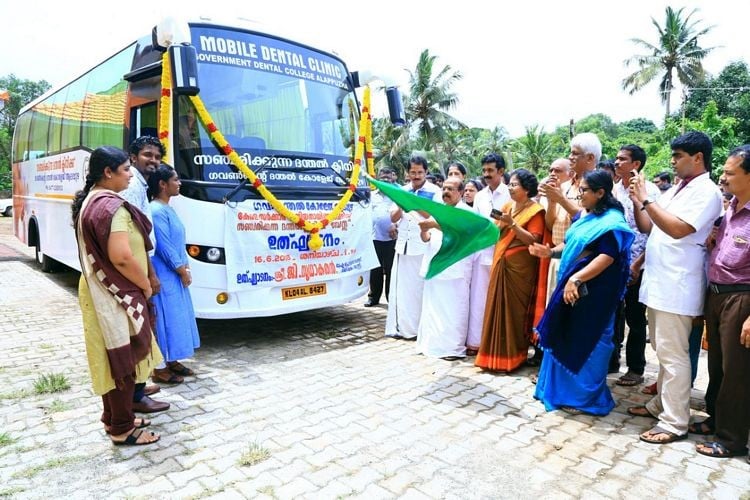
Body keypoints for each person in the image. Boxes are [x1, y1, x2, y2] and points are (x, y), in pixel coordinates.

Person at [627, 131, 723, 445]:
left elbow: (678, 229)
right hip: (660, 281)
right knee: (663, 350)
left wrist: (645, 199)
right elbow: (649, 226)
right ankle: (660, 405)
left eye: (679, 155)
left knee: (674, 356)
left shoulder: (706, 192)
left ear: (698, 158)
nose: (673, 161)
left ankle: (674, 421)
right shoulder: (679, 189)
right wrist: (637, 201)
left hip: (677, 284)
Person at [71, 146, 162, 446]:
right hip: (116, 294)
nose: (129, 176)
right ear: (107, 173)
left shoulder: (94, 201)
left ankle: (114, 418)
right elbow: (122, 257)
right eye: (125, 170)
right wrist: (145, 286)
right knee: (125, 359)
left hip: (104, 292)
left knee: (114, 356)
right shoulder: (109, 206)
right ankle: (123, 429)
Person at [531, 170, 634, 415]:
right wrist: (550, 252)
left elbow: (607, 257)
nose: (580, 195)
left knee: (590, 341)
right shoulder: (588, 216)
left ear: (600, 193)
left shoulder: (611, 221)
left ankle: (583, 397)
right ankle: (557, 390)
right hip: (573, 287)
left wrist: (576, 279)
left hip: (594, 294)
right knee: (565, 333)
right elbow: (572, 242)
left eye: (584, 191)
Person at [694, 145, 750, 459]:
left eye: (730, 173)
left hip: (741, 299)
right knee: (716, 366)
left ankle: (731, 439)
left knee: (736, 372)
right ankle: (716, 420)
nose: (723, 178)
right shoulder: (730, 209)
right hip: (716, 294)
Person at [475, 169, 546, 372]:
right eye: (511, 184)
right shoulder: (507, 206)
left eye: (514, 184)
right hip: (501, 262)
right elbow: (496, 230)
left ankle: (514, 358)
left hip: (520, 269)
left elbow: (533, 239)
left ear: (526, 189)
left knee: (514, 313)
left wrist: (512, 224)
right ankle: (490, 357)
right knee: (495, 309)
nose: (510, 188)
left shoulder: (536, 211)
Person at [121, 136, 170, 412]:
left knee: (143, 328)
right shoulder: (130, 187)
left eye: (157, 157)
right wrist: (149, 275)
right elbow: (133, 236)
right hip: (138, 265)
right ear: (133, 156)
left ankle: (139, 383)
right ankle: (136, 396)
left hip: (142, 261)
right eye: (147, 155)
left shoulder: (140, 184)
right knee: (139, 330)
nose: (153, 161)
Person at [147, 164, 201, 384]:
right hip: (165, 273)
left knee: (177, 318)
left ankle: (172, 361)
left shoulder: (168, 208)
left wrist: (184, 268)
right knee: (165, 319)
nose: (179, 183)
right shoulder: (156, 210)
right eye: (176, 179)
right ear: (162, 184)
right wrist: (181, 269)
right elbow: (164, 246)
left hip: (175, 273)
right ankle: (159, 369)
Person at [611, 145, 660, 387]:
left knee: (635, 318)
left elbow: (654, 232)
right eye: (617, 158)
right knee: (613, 315)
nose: (616, 162)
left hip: (638, 265)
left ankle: (636, 368)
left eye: (622, 159)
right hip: (614, 262)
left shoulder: (650, 192)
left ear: (636, 164)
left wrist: (637, 264)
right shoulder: (614, 189)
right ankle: (611, 361)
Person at [415, 177, 474, 359]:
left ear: (461, 192)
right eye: (444, 189)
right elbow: (426, 238)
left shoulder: (466, 212)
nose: (446, 192)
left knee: (453, 310)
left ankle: (452, 348)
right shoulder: (438, 211)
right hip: (435, 268)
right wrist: (424, 230)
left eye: (451, 189)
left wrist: (432, 224)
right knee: (433, 309)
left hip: (454, 270)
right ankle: (432, 345)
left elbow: (457, 230)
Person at [385, 155, 442, 340]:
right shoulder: (402, 190)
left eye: (420, 172)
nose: (416, 176)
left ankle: (420, 331)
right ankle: (403, 329)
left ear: (426, 172)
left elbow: (434, 215)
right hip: (403, 246)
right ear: (407, 173)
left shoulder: (435, 191)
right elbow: (393, 217)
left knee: (420, 291)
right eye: (413, 172)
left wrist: (413, 203)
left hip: (423, 246)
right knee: (402, 292)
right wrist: (403, 203)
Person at [467, 154, 511, 355]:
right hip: (481, 253)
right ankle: (476, 342)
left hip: (503, 254)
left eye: (490, 171)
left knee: (500, 299)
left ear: (501, 172)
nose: (486, 175)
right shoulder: (480, 196)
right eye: (484, 171)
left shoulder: (510, 194)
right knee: (478, 298)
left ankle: (498, 345)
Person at [365, 167, 397, 307]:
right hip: (375, 237)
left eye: (388, 178)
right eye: (382, 178)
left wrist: (396, 225)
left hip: (393, 238)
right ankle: (373, 297)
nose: (385, 180)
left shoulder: (397, 195)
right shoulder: (371, 195)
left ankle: (391, 298)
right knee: (375, 269)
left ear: (392, 179)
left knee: (391, 270)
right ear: (378, 179)